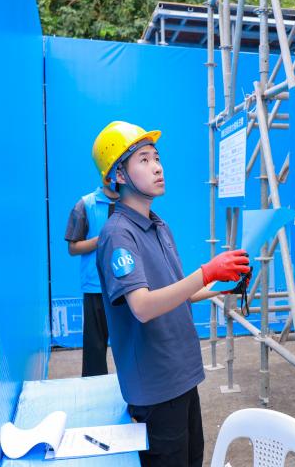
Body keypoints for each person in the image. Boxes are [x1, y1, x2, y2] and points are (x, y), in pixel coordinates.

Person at [93, 121, 250, 466]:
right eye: (144, 160)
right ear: (118, 174)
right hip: (155, 389)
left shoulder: (158, 226)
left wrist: (223, 284)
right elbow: (142, 306)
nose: (157, 167)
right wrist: (207, 272)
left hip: (181, 376)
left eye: (157, 157)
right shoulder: (118, 234)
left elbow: (180, 293)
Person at [64, 162, 119, 377]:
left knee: (132, 346)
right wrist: (101, 239)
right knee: (94, 350)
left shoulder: (131, 203)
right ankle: (93, 390)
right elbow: (73, 248)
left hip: (127, 286)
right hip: (95, 288)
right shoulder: (84, 205)